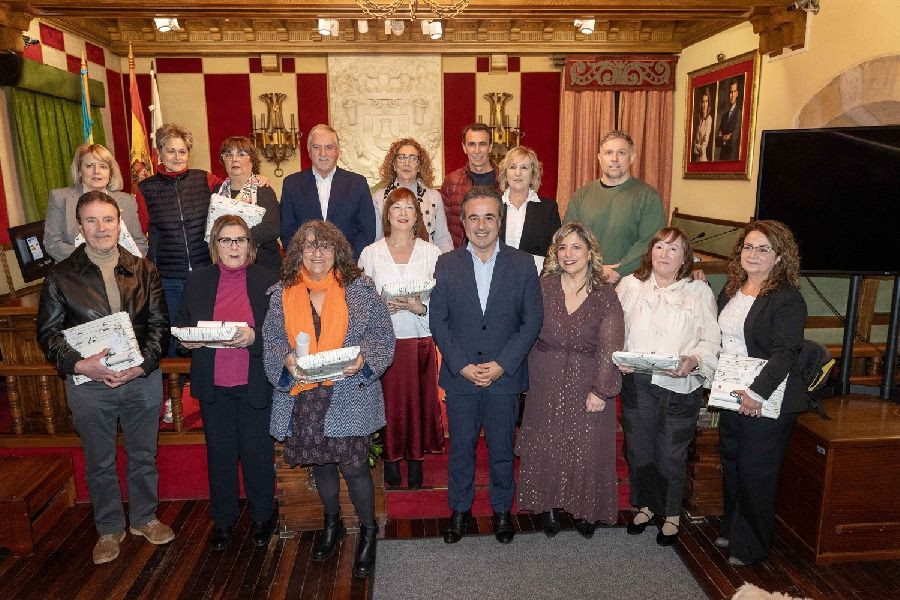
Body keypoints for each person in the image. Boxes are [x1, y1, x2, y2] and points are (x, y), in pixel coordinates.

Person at [36, 191, 173, 565]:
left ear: (119, 223)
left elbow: (159, 326)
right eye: (92, 220)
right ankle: (109, 528)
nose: (101, 228)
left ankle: (144, 518)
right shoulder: (60, 275)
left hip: (140, 379)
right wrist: (81, 365)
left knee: (143, 455)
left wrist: (141, 366)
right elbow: (48, 335)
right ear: (80, 227)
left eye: (108, 219)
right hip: (89, 384)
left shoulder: (145, 270)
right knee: (99, 461)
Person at [264, 221, 395, 579]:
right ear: (298, 252)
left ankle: (368, 531)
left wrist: (364, 359)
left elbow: (382, 336)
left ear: (337, 251)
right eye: (309, 246)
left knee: (354, 466)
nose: (317, 252)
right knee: (320, 463)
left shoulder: (361, 289)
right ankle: (332, 523)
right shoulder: (281, 294)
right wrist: (286, 359)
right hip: (305, 394)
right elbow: (272, 341)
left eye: (325, 245)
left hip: (349, 391)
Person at [430, 186, 543, 545]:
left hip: (503, 379)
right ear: (463, 222)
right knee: (461, 451)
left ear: (500, 221)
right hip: (461, 377)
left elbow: (532, 321)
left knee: (502, 451)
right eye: (474, 218)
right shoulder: (447, 264)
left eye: (489, 217)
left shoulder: (522, 263)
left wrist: (502, 365)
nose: (481, 225)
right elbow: (439, 321)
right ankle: (459, 510)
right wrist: (461, 364)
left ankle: (501, 511)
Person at [176, 215, 279, 551]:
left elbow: (282, 333)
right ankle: (223, 520)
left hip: (254, 384)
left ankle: (263, 516)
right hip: (214, 385)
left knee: (257, 454)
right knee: (220, 456)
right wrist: (186, 340)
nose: (234, 247)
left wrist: (254, 336)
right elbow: (182, 323)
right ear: (215, 246)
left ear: (250, 245)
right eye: (226, 240)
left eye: (240, 240)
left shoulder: (267, 279)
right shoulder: (198, 280)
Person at [516, 223, 624, 538]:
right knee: (547, 441)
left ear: (590, 253)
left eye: (576, 247)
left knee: (586, 446)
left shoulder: (605, 294)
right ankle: (547, 505)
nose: (568, 254)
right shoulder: (543, 286)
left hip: (589, 379)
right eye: (562, 247)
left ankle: (584, 508)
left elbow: (611, 344)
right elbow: (524, 329)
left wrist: (601, 390)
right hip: (544, 377)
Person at [615, 227, 720, 546]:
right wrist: (619, 356)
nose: (665, 253)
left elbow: (710, 339)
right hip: (637, 383)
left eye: (673, 249)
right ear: (650, 252)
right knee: (639, 449)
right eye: (660, 246)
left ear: (685, 257)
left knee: (671, 453)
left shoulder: (699, 291)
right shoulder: (629, 285)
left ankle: (672, 514)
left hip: (680, 385)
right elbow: (614, 329)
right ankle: (645, 506)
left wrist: (693, 360)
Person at [715, 220, 807, 566]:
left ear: (780, 256)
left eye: (763, 249)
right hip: (731, 394)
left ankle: (752, 546)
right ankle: (733, 528)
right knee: (733, 465)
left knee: (757, 474)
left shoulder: (787, 298)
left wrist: (756, 393)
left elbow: (786, 352)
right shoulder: (732, 289)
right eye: (748, 247)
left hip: (767, 398)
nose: (752, 254)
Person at [359, 188, 445, 490]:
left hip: (419, 339)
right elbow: (360, 302)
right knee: (389, 405)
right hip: (385, 343)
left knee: (418, 404)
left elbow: (443, 301)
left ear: (418, 215)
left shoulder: (432, 253)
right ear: (387, 214)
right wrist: (381, 307)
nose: (403, 213)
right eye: (397, 207)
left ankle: (416, 461)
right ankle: (392, 462)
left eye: (410, 207)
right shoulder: (371, 253)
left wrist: (420, 307)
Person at [138, 123, 221, 344]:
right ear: (160, 153)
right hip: (168, 278)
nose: (177, 157)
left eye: (182, 151)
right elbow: (138, 234)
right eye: (171, 151)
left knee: (207, 331)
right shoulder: (145, 189)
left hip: (205, 272)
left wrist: (256, 180)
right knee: (175, 336)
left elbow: (236, 191)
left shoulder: (205, 179)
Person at [563, 131, 666, 284]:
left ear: (632, 157)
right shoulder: (581, 195)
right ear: (599, 158)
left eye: (621, 153)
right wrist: (591, 269)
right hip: (584, 280)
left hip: (630, 282)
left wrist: (618, 271)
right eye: (609, 153)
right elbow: (567, 238)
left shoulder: (648, 197)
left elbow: (650, 243)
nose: (614, 159)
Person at [279, 124, 375, 258]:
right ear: (309, 151)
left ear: (337, 151)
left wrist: (347, 260)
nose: (323, 153)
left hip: (347, 263)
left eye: (329, 147)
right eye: (316, 147)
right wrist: (306, 259)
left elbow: (367, 230)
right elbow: (287, 231)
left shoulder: (357, 184)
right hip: (306, 264)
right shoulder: (292, 184)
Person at [45, 143, 147, 262]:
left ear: (110, 172)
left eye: (103, 166)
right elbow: (52, 243)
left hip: (122, 268)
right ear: (79, 171)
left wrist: (125, 265)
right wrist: (95, 260)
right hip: (78, 269)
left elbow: (140, 242)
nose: (96, 171)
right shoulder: (60, 199)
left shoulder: (127, 201)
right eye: (89, 166)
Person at [371, 138, 453, 253]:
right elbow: (377, 239)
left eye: (413, 158)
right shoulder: (379, 198)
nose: (407, 163)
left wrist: (446, 262)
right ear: (393, 164)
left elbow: (443, 239)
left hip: (428, 259)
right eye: (401, 157)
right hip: (389, 259)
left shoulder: (434, 197)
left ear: (419, 166)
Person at [215, 136, 282, 272]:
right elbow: (211, 229)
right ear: (223, 160)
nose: (234, 159)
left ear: (252, 160)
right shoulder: (217, 191)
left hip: (263, 265)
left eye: (241, 154)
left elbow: (272, 228)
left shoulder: (263, 189)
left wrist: (234, 240)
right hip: (225, 266)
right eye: (228, 154)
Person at [497, 145, 561, 272]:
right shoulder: (493, 207)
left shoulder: (548, 210)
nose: (518, 173)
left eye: (524, 167)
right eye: (512, 167)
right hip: (497, 278)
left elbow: (556, 252)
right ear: (505, 173)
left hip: (536, 279)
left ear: (533, 174)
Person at [440, 123, 499, 247]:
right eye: (472, 144)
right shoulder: (451, 182)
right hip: (462, 253)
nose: (477, 151)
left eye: (482, 144)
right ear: (464, 148)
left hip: (498, 252)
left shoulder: (504, 180)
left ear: (490, 147)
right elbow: (443, 227)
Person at [715, 79, 743, 161]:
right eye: (731, 92)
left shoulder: (739, 113)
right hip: (722, 158)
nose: (732, 95)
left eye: (734, 92)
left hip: (731, 158)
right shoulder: (724, 116)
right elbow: (717, 141)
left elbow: (733, 139)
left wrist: (723, 137)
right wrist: (725, 137)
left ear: (737, 93)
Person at [692, 90, 714, 162]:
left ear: (708, 103)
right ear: (700, 103)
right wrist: (697, 145)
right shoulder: (700, 120)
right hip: (696, 160)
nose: (704, 105)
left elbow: (703, 149)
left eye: (706, 101)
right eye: (703, 102)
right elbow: (693, 144)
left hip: (703, 160)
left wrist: (696, 146)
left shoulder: (709, 119)